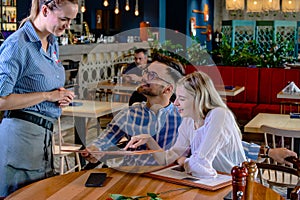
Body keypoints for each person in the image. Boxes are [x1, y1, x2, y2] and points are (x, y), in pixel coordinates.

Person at [124, 71, 298, 177]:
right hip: (211, 182)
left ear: (199, 100)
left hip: (233, 185)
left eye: (182, 99)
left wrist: (184, 160)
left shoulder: (219, 115)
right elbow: (170, 156)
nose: (175, 103)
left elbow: (200, 165)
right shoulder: (188, 121)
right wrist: (149, 140)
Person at [0, 0, 78, 197]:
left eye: (70, 20)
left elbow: (41, 83)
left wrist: (58, 96)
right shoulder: (17, 45)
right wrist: (47, 95)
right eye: (63, 19)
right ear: (45, 10)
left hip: (44, 136)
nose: (67, 25)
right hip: (20, 137)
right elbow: (1, 100)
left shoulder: (52, 42)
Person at [82, 54, 185, 167]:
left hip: (166, 179)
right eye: (145, 72)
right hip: (131, 175)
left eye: (152, 75)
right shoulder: (130, 113)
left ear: (167, 89)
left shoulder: (183, 118)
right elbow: (107, 138)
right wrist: (95, 149)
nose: (144, 77)